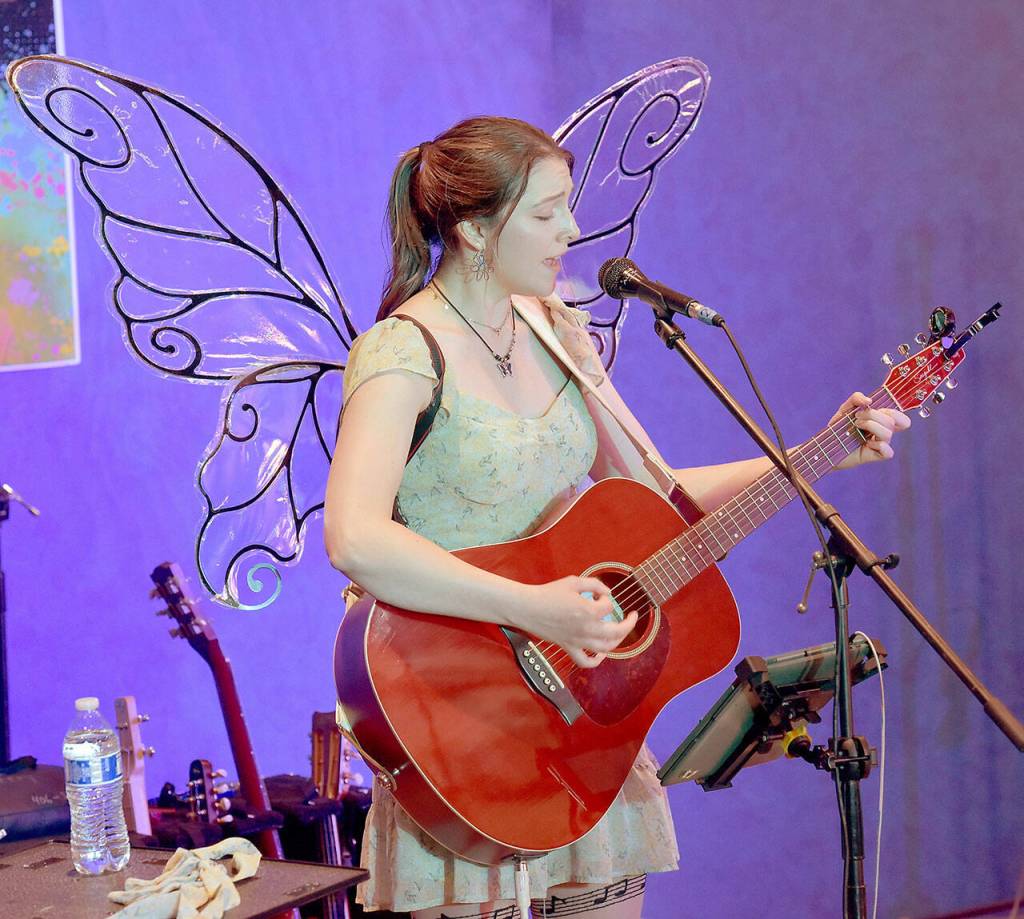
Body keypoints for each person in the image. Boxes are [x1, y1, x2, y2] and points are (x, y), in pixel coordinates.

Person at [324, 116, 909, 919]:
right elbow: (354, 537)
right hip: (458, 713)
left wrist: (818, 454)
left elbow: (658, 498)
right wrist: (535, 606)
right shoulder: (400, 349)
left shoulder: (558, 330)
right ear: (471, 229)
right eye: (546, 212)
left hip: (575, 716)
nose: (571, 230)